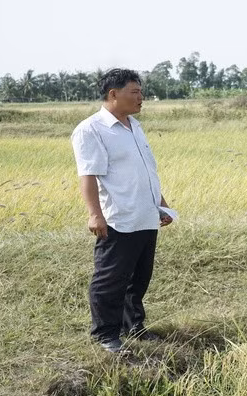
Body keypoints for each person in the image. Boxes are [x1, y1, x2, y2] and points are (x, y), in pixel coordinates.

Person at [71, 68, 173, 353]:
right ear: (113, 94)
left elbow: (145, 171)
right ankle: (105, 335)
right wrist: (94, 214)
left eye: (141, 92)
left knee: (139, 279)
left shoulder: (134, 126)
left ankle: (133, 327)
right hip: (118, 217)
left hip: (145, 215)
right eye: (135, 92)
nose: (142, 98)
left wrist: (161, 204)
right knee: (110, 279)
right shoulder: (91, 129)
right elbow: (88, 175)